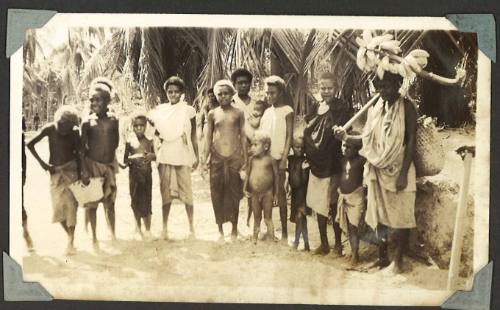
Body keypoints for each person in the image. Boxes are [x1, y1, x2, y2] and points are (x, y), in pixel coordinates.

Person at [334, 71, 417, 274]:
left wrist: (404, 173)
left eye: (386, 86)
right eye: (378, 87)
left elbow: (412, 140)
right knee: (378, 215)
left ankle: (397, 262)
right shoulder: (377, 108)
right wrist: (345, 137)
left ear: (398, 84)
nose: (381, 91)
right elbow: (367, 138)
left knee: (400, 216)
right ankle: (382, 259)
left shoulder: (407, 107)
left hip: (399, 169)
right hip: (377, 168)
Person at [304, 72, 352, 256]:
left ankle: (338, 245)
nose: (326, 91)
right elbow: (310, 127)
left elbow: (342, 130)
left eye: (329, 88)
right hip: (316, 163)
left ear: (336, 88)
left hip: (332, 162)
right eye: (322, 88)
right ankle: (324, 244)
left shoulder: (341, 107)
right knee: (318, 205)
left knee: (333, 204)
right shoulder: (315, 106)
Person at [148, 76, 199, 240]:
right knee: (166, 193)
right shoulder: (160, 112)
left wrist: (196, 155)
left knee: (187, 192)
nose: (173, 95)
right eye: (170, 92)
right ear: (166, 93)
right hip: (165, 155)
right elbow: (154, 133)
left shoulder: (188, 110)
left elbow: (193, 135)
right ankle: (164, 229)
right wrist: (156, 147)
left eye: (177, 92)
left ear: (182, 93)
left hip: (183, 154)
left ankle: (191, 228)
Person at [27, 106, 82, 255]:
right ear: (58, 121)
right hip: (55, 173)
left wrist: (82, 173)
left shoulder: (74, 132)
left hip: (71, 172)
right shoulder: (49, 129)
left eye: (69, 127)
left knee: (71, 207)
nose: (65, 130)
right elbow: (30, 144)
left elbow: (79, 154)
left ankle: (71, 242)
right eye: (63, 126)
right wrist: (43, 164)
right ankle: (70, 237)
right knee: (58, 209)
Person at [202, 79, 247, 242]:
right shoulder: (212, 113)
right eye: (219, 94)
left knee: (234, 193)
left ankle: (234, 229)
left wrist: (246, 159)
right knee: (217, 192)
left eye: (226, 93)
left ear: (232, 93)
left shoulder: (239, 113)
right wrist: (203, 159)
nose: (223, 97)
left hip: (235, 157)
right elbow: (208, 137)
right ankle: (220, 231)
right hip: (217, 158)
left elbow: (243, 137)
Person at [81, 78, 120, 249]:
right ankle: (94, 238)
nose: (94, 102)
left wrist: (110, 162)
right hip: (92, 166)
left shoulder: (114, 120)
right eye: (91, 99)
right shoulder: (87, 123)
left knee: (110, 202)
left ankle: (113, 233)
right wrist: (84, 171)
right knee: (92, 204)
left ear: (107, 101)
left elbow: (115, 142)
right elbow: (82, 149)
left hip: (108, 166)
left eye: (98, 99)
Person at [259, 75, 293, 242]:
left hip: (279, 160)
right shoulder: (266, 112)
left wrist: (284, 158)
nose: (269, 96)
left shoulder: (287, 111)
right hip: (266, 161)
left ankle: (285, 233)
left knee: (280, 195)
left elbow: (289, 137)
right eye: (267, 93)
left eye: (273, 92)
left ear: (280, 92)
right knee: (267, 195)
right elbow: (262, 136)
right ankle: (270, 231)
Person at [123, 113, 156, 241]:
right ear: (132, 127)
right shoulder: (129, 142)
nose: (139, 128)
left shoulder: (149, 142)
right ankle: (138, 227)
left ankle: (148, 229)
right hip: (134, 176)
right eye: (136, 126)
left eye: (141, 126)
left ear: (146, 126)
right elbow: (125, 160)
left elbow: (156, 156)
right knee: (135, 200)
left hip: (147, 175)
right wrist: (131, 159)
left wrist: (151, 156)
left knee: (147, 200)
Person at [335, 136, 366, 268]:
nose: (345, 149)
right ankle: (352, 252)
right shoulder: (342, 160)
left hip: (356, 197)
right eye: (343, 145)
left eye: (348, 147)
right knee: (348, 226)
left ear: (357, 149)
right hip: (344, 197)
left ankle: (355, 255)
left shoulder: (361, 161)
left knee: (354, 227)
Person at [244, 131, 279, 243]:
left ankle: (271, 239)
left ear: (265, 146)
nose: (252, 148)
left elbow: (276, 177)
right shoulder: (251, 160)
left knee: (268, 218)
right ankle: (254, 239)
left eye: (255, 145)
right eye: (251, 145)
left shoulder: (271, 160)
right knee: (256, 218)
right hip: (254, 194)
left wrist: (276, 194)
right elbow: (248, 174)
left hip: (267, 194)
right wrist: (244, 188)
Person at [244, 100, 268, 226]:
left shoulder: (261, 119)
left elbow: (254, 123)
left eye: (259, 109)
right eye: (255, 108)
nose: (256, 111)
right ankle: (249, 219)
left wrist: (253, 118)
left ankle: (252, 220)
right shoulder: (256, 118)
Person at [288, 134, 311, 251]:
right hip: (295, 194)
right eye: (297, 147)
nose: (300, 150)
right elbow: (290, 176)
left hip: (303, 194)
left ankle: (297, 242)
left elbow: (304, 181)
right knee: (302, 220)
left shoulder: (305, 161)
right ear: (292, 146)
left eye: (302, 147)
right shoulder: (291, 159)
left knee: (299, 218)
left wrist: (303, 170)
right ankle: (306, 244)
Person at [22, 116, 34, 251]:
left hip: (14, 174)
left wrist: (23, 175)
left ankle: (26, 234)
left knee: (19, 205)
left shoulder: (19, 135)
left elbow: (22, 158)